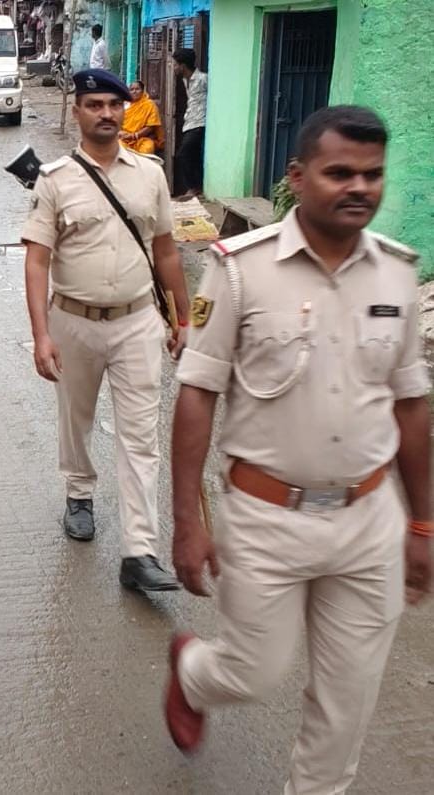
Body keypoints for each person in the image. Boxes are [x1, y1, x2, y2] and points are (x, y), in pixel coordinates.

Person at [166, 106, 431, 792]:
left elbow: (410, 404)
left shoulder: (397, 274)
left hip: (367, 519)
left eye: (371, 175)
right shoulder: (240, 269)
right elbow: (197, 393)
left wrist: (422, 521)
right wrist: (188, 521)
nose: (358, 187)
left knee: (347, 703)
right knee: (251, 670)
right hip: (264, 516)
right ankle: (193, 672)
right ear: (296, 176)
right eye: (338, 171)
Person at [20, 69, 190, 593]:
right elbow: (36, 261)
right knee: (77, 418)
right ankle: (79, 492)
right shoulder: (54, 180)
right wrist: (41, 334)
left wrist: (182, 317)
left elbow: (165, 249)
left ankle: (139, 551)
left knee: (142, 437)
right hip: (74, 320)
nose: (106, 114)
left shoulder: (151, 175)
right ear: (77, 112)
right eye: (95, 105)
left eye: (114, 105)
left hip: (138, 320)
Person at [172, 48, 207, 199]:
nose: (173, 68)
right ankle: (197, 188)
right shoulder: (185, 80)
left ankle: (193, 188)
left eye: (175, 64)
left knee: (183, 154)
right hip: (189, 121)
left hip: (200, 122)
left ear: (182, 65)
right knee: (193, 155)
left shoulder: (203, 79)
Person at [119, 80, 163, 155]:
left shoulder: (149, 105)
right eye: (132, 89)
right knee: (119, 148)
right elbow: (117, 122)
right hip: (125, 139)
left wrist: (134, 135)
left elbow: (151, 126)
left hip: (142, 139)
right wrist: (120, 133)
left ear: (143, 91)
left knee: (147, 148)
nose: (134, 91)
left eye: (137, 89)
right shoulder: (124, 105)